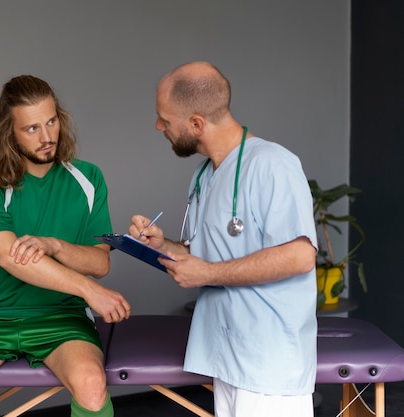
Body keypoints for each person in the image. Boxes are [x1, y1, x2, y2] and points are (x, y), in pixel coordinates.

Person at [0, 75, 131, 417]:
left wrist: (54, 245)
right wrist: (90, 291)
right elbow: (11, 257)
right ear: (9, 133)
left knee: (92, 384)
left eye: (51, 121)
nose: (47, 136)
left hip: (63, 315)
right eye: (32, 129)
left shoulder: (89, 179)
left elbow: (100, 263)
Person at [129, 62, 318, 417]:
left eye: (165, 120)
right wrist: (163, 246)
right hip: (227, 355)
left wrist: (208, 275)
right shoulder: (205, 175)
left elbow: (300, 256)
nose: (159, 126)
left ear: (196, 124)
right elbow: (205, 254)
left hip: (268, 362)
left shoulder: (273, 165)